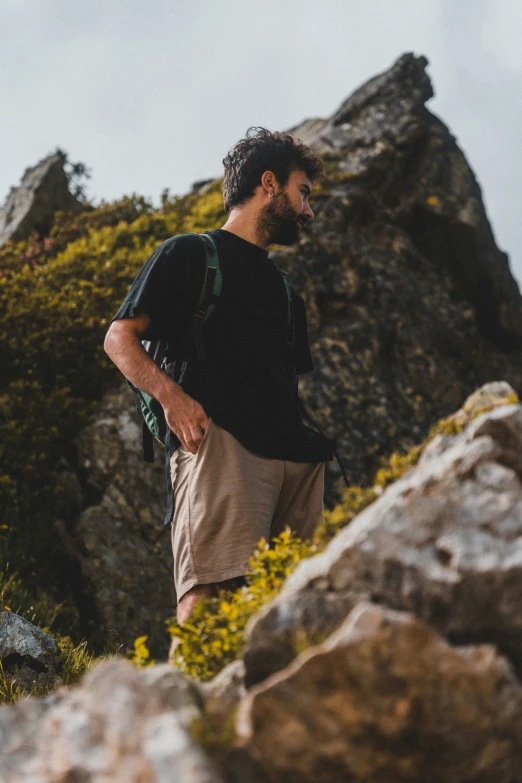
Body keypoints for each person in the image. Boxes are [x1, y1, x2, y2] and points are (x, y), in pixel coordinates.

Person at [103, 127, 334, 657]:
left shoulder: (285, 292)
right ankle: (189, 731)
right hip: (224, 447)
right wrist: (173, 398)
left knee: (293, 615)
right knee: (208, 596)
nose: (309, 212)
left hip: (296, 465)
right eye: (304, 193)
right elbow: (119, 338)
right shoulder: (188, 255)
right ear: (268, 184)